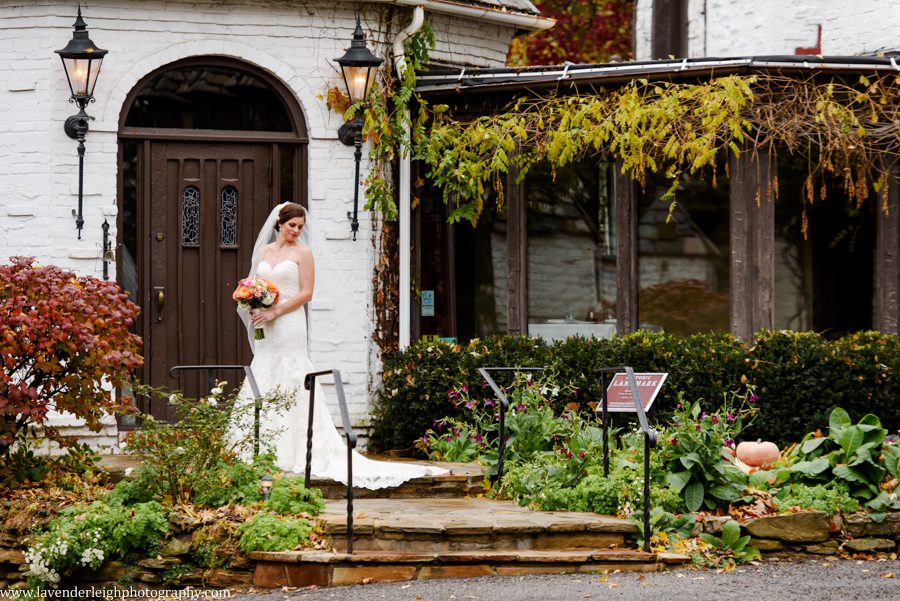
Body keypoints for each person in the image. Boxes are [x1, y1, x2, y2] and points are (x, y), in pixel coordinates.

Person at [233, 202, 447, 488]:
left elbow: (307, 293)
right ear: (279, 224)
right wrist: (254, 304)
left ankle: (295, 449)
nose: (296, 231)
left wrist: (275, 311)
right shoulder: (264, 252)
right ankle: (256, 447)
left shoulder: (304, 254)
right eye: (292, 225)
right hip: (266, 325)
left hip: (289, 323)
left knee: (292, 374)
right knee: (265, 370)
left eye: (300, 226)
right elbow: (256, 284)